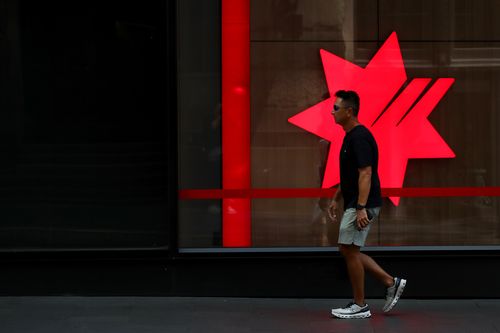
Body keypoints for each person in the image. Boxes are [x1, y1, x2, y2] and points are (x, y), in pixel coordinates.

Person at [328, 90, 406, 319]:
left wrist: (361, 207)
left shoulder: (360, 137)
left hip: (361, 204)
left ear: (349, 111)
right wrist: (336, 197)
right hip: (355, 201)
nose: (332, 112)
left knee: (349, 250)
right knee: (348, 249)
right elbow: (351, 175)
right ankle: (390, 282)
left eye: (335, 108)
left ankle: (360, 305)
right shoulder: (350, 136)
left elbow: (365, 173)